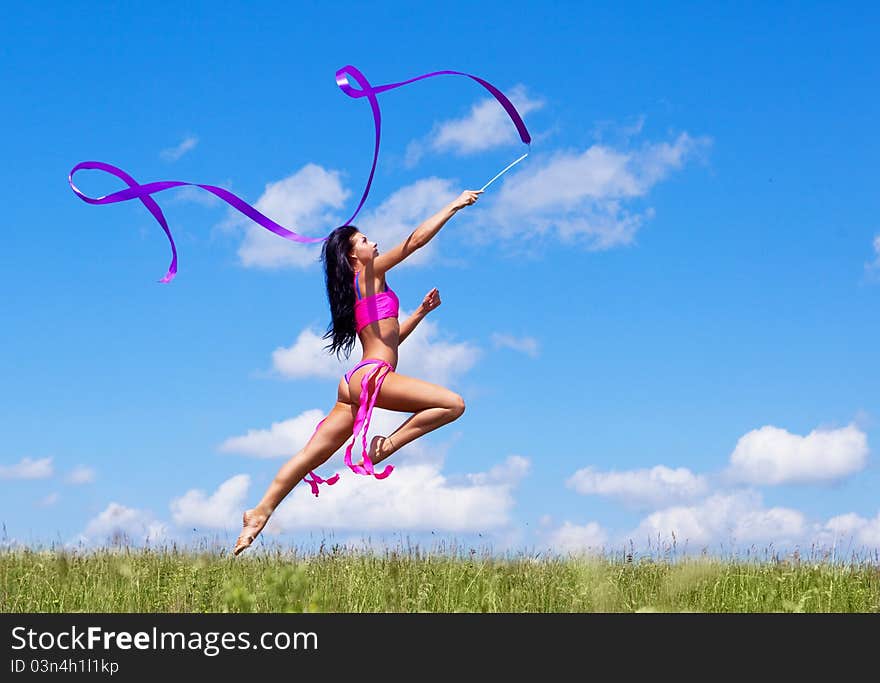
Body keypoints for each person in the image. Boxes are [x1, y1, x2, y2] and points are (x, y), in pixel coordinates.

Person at [232, 189, 483, 555]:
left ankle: (258, 513)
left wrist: (420, 313)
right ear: (353, 257)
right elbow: (413, 242)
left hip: (357, 380)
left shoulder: (366, 288)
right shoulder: (367, 273)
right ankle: (383, 448)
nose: (374, 242)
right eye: (365, 240)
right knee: (453, 404)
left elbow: (388, 339)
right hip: (371, 377)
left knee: (310, 455)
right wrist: (453, 205)